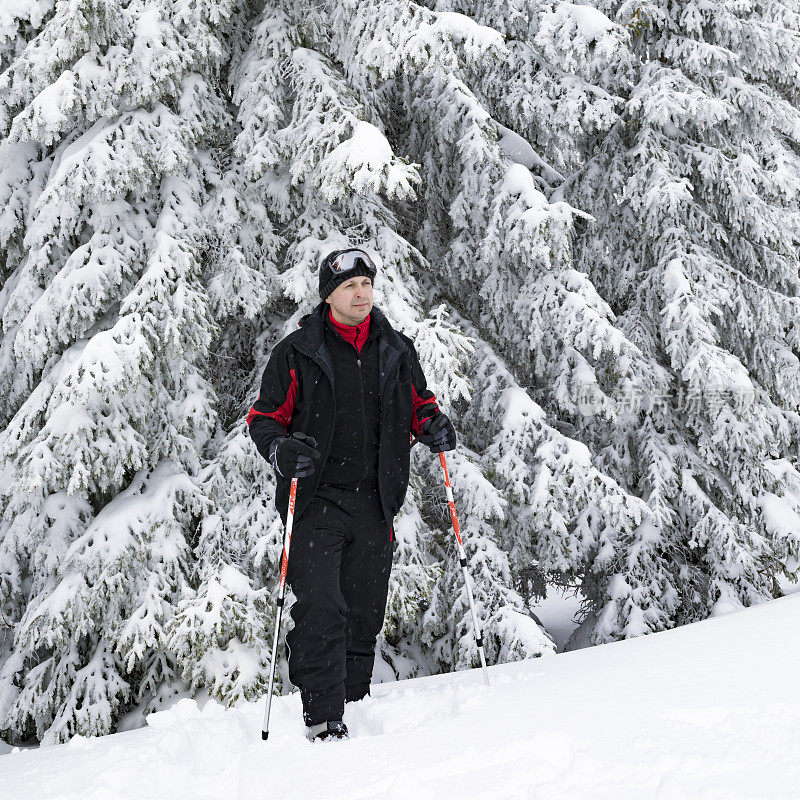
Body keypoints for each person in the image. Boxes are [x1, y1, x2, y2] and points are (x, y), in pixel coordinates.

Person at [247, 248, 457, 742]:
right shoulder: (298, 352)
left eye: (366, 284)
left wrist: (431, 424)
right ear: (329, 295)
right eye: (349, 287)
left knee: (364, 611)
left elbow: (418, 404)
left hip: (376, 500)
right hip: (317, 499)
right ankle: (323, 716)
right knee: (321, 607)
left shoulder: (397, 350)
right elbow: (264, 419)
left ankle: (355, 702)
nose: (360, 294)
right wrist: (280, 449)